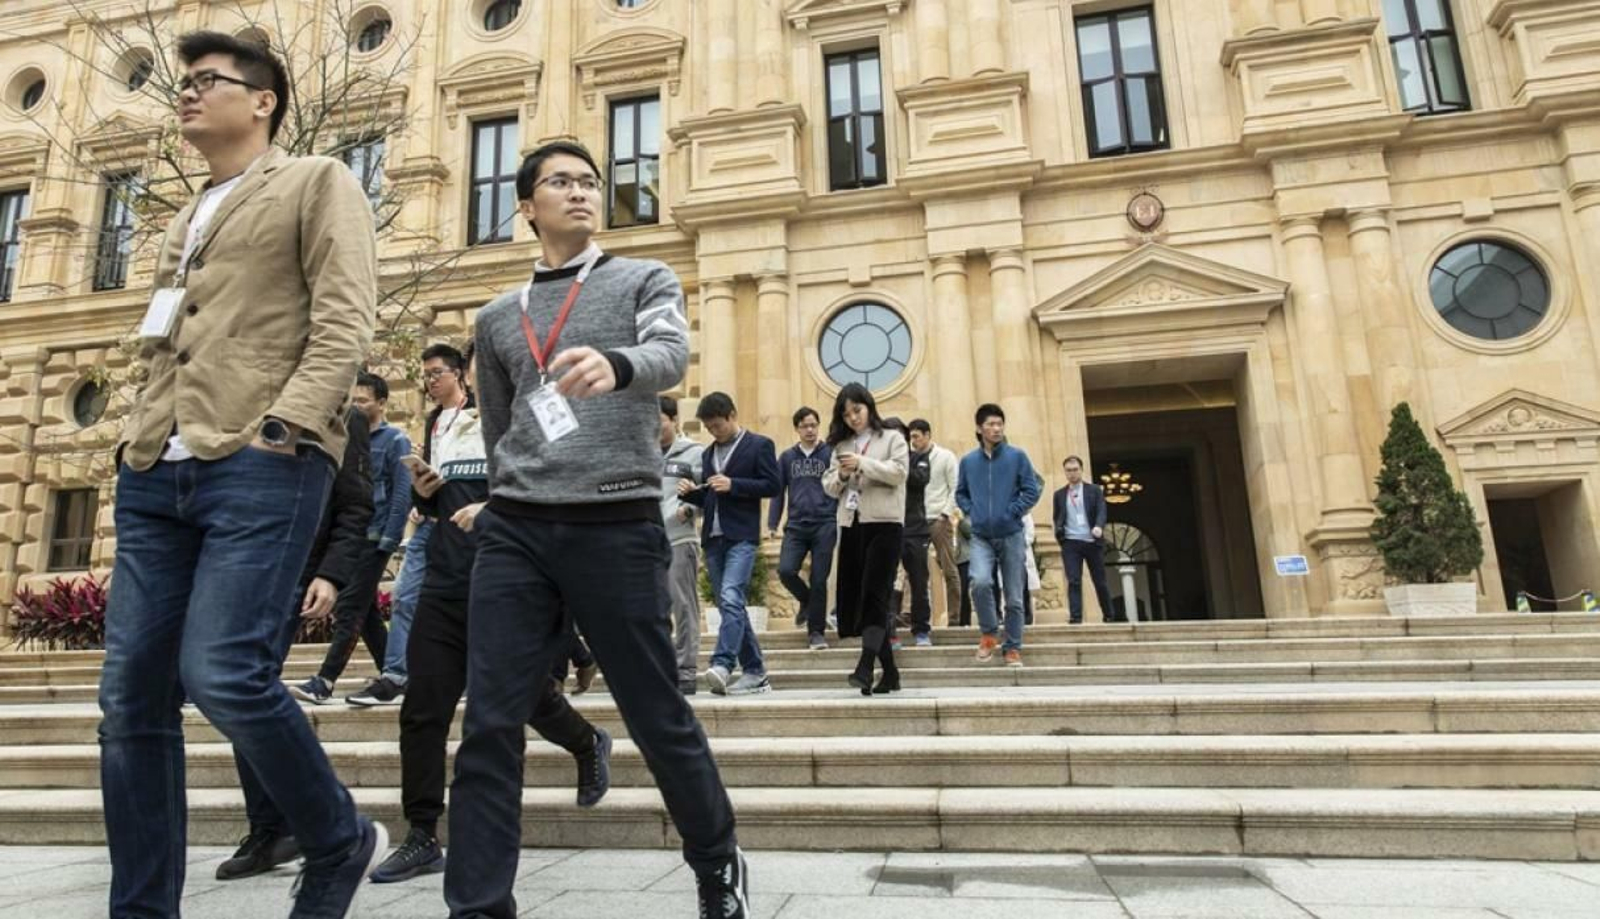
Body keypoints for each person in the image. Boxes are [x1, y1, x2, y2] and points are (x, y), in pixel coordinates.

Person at [99, 31, 385, 918]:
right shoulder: (189, 213)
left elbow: (346, 318)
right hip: (156, 468)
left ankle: (337, 834)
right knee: (129, 703)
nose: (186, 95)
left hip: (260, 461)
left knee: (224, 673)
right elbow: (169, 337)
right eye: (182, 84)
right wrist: (131, 430)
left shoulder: (315, 182)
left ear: (263, 101)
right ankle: (141, 907)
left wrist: (287, 425)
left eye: (206, 82)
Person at [448, 140, 747, 919]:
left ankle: (716, 861)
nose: (580, 191)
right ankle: (478, 904)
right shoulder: (495, 316)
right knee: (489, 720)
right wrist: (505, 494)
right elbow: (501, 423)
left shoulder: (642, 278)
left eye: (589, 181)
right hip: (517, 528)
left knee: (655, 711)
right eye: (560, 182)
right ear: (527, 205)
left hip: (615, 518)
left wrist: (618, 365)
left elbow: (671, 353)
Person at [370, 343, 611, 885]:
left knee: (520, 698)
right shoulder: (448, 421)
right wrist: (426, 493)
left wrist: (499, 508)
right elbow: (450, 504)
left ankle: (585, 741)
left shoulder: (544, 413)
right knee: (422, 710)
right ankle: (422, 834)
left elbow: (569, 486)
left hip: (512, 584)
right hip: (446, 582)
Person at [217, 407, 372, 881]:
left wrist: (330, 573)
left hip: (292, 570)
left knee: (245, 682)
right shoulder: (240, 393)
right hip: (233, 565)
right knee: (233, 687)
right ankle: (289, 824)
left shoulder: (346, 413)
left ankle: (281, 826)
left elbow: (355, 504)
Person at [293, 371, 411, 705]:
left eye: (363, 400)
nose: (356, 405)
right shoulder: (344, 436)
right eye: (353, 399)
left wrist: (389, 539)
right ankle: (397, 674)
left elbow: (401, 494)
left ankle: (326, 680)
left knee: (349, 606)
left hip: (376, 537)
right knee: (366, 610)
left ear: (382, 403)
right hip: (348, 538)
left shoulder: (396, 440)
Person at [368, 344, 469, 704]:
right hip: (431, 519)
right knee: (406, 595)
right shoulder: (431, 419)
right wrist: (421, 496)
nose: (430, 382)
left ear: (458, 373)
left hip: (467, 521)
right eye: (425, 376)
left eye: (436, 373)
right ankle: (396, 673)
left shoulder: (478, 412)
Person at [682, 391, 782, 696]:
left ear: (732, 415)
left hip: (742, 536)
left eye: (717, 425)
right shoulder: (707, 454)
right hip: (713, 539)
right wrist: (690, 494)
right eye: (709, 428)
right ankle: (755, 671)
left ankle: (723, 662)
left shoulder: (759, 445)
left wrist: (734, 484)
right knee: (731, 604)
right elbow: (712, 495)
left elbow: (773, 485)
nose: (714, 431)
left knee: (730, 595)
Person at [822, 383, 908, 695]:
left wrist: (862, 464)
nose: (853, 418)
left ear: (869, 407)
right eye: (846, 414)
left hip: (885, 524)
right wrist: (843, 475)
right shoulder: (841, 445)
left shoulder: (893, 438)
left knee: (875, 595)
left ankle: (865, 664)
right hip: (852, 524)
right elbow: (829, 486)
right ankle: (891, 674)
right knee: (860, 598)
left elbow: (898, 473)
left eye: (856, 410)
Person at [955, 403, 1042, 667]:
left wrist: (1013, 511)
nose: (996, 428)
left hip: (1012, 534)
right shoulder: (969, 461)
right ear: (980, 429)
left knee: (1014, 596)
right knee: (980, 582)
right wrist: (974, 512)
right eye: (991, 424)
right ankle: (989, 633)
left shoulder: (1017, 456)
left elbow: (1031, 489)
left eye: (1000, 424)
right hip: (981, 535)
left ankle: (1013, 647)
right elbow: (961, 493)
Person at [768, 406, 838, 650]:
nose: (810, 430)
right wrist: (772, 523)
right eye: (805, 426)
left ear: (818, 426)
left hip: (825, 523)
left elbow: (841, 485)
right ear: (797, 429)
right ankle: (807, 601)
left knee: (820, 579)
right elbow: (778, 492)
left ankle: (816, 633)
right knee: (786, 571)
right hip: (796, 525)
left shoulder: (830, 453)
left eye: (813, 425)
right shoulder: (787, 458)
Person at [659, 395, 705, 693]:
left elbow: (705, 495)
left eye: (659, 420)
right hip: (646, 544)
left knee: (683, 605)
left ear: (674, 419)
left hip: (679, 538)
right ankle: (662, 667)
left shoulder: (694, 454)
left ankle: (686, 668)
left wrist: (691, 508)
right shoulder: (641, 454)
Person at [1053, 455, 1117, 624]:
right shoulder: (1059, 494)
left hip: (1092, 541)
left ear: (1081, 470)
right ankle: (1076, 616)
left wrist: (1098, 526)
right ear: (1065, 472)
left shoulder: (1094, 490)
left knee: (1100, 581)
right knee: (1073, 580)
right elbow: (1057, 516)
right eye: (1068, 470)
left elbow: (1101, 510)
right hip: (1071, 542)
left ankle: (1109, 614)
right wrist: (1060, 533)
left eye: (1075, 470)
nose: (1072, 473)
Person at [914, 420, 963, 633]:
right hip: (917, 520)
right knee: (913, 570)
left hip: (939, 518)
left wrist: (945, 513)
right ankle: (912, 616)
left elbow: (956, 487)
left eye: (916, 436)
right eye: (911, 437)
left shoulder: (945, 456)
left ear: (927, 435)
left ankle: (954, 617)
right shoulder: (911, 459)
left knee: (949, 568)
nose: (913, 441)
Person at [895, 419, 934, 646]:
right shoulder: (880, 463)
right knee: (889, 583)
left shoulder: (918, 458)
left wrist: (900, 464)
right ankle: (889, 631)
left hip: (916, 529)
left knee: (919, 581)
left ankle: (921, 629)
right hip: (889, 527)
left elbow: (921, 480)